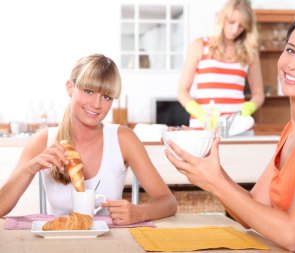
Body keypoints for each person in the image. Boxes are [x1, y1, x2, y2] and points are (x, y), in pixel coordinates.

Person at [165, 12, 295, 252]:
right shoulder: (292, 129)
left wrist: (216, 183)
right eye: (291, 50)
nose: (293, 64)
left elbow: (292, 235)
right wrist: (213, 172)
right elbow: (252, 208)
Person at [0, 54, 177, 225]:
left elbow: (168, 202)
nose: (97, 104)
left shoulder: (124, 139)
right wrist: (28, 169)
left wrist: (141, 212)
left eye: (106, 97)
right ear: (70, 88)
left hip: (111, 242)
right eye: (88, 91)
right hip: (58, 243)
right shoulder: (43, 140)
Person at [177, 0, 264, 131]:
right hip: (203, 128)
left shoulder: (250, 52)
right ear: (222, 18)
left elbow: (259, 94)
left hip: (237, 127)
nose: (235, 30)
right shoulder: (200, 46)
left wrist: (247, 109)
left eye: (241, 26)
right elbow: (182, 92)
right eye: (231, 22)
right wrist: (201, 115)